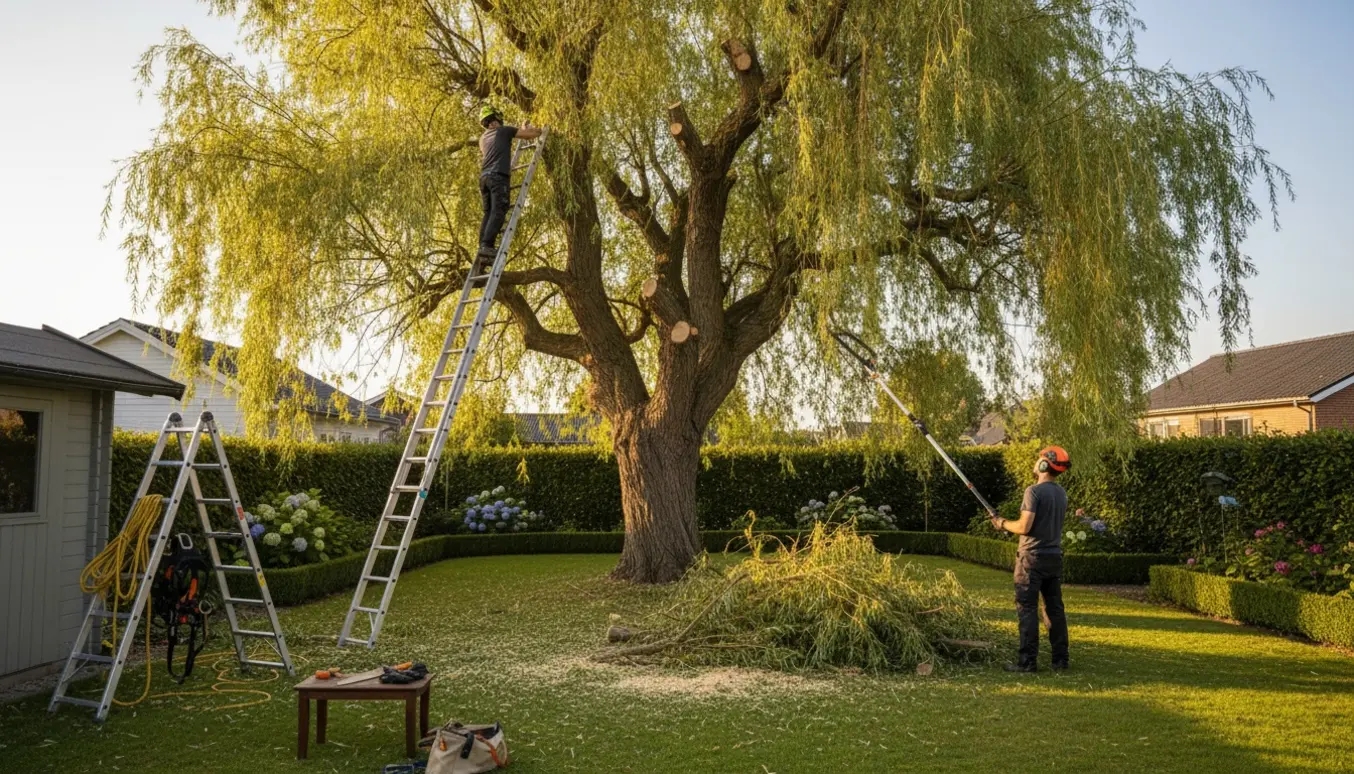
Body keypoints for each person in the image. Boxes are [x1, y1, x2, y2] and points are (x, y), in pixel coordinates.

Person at [990, 445, 1071, 672]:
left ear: (1044, 465)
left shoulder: (1033, 491)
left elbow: (1025, 526)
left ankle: (1027, 662)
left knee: (1027, 608)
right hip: (1053, 557)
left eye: (1039, 459)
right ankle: (1060, 660)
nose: (1036, 462)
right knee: (1054, 608)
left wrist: (1002, 523)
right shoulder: (1061, 493)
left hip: (1031, 558)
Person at [475, 105, 542, 278]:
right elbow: (531, 135)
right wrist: (539, 129)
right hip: (498, 177)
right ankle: (487, 246)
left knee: (488, 213)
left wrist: (523, 128)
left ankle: (483, 247)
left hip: (484, 178)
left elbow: (507, 141)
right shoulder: (504, 131)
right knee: (499, 210)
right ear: (497, 118)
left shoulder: (483, 139)